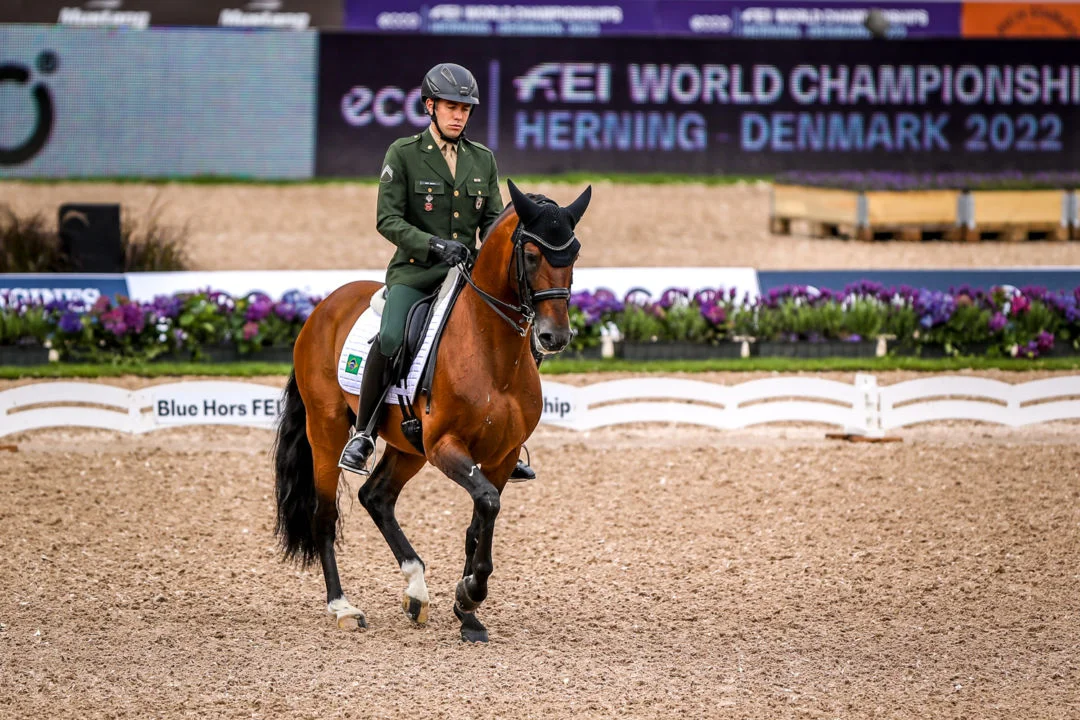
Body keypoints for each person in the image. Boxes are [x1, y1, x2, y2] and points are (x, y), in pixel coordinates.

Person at [339, 62, 537, 482]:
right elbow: (388, 220)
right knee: (391, 337)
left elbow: (491, 223)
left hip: (466, 276)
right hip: (416, 274)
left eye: (465, 109)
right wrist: (434, 245)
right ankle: (364, 433)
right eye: (451, 107)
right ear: (430, 106)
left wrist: (496, 252)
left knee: (515, 332)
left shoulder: (482, 159)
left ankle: (508, 439)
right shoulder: (404, 154)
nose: (458, 116)